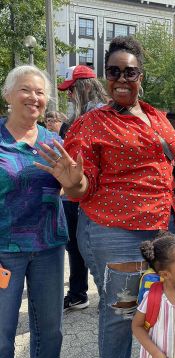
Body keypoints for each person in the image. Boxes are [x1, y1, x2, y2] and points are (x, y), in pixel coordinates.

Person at [35, 36, 175, 358]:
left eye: (130, 71)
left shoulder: (157, 116)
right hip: (116, 230)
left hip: (168, 226)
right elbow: (83, 184)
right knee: (122, 312)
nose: (122, 78)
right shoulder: (92, 123)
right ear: (105, 76)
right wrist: (73, 182)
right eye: (114, 71)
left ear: (141, 74)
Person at [0, 65, 68, 358]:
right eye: (26, 89)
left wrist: (75, 179)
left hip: (48, 247)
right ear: (8, 94)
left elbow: (76, 188)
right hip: (4, 250)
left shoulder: (54, 142)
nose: (34, 98)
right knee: (1, 336)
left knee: (50, 330)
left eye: (40, 92)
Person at [58, 65, 108, 311]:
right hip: (75, 193)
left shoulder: (98, 116)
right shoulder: (81, 117)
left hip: (91, 195)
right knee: (78, 245)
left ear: (86, 87)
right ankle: (81, 293)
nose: (68, 96)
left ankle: (102, 294)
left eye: (71, 90)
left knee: (89, 245)